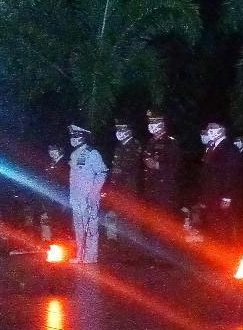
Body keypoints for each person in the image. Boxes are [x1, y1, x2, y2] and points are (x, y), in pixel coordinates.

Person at [67, 125, 108, 263]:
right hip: (76, 197)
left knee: (90, 228)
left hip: (88, 197)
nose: (73, 139)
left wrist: (94, 193)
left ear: (83, 137)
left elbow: (102, 173)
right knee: (79, 228)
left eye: (76, 136)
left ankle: (90, 257)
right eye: (72, 136)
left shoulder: (92, 153)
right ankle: (80, 256)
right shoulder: (74, 154)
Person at [103, 120, 143, 249]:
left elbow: (131, 165)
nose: (119, 133)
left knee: (130, 218)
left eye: (122, 130)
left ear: (129, 131)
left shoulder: (134, 145)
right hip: (119, 188)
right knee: (120, 217)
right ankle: (123, 246)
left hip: (129, 187)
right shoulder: (119, 147)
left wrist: (120, 171)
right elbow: (115, 168)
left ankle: (133, 247)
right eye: (118, 131)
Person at [198, 122, 239, 242]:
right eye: (208, 127)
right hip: (210, 193)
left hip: (221, 194)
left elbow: (232, 174)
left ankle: (221, 254)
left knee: (220, 227)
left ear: (222, 129)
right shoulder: (211, 146)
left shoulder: (230, 148)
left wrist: (227, 196)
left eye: (212, 127)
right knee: (211, 226)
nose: (209, 130)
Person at [142, 110, 181, 213]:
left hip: (164, 191)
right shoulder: (150, 142)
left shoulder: (171, 142)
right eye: (150, 122)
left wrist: (157, 165)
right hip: (150, 190)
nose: (151, 125)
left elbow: (176, 166)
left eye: (154, 122)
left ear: (162, 123)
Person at [39, 144, 70, 242]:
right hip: (52, 198)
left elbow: (67, 182)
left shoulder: (66, 164)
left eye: (54, 150)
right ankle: (56, 242)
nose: (52, 152)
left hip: (62, 198)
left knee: (62, 221)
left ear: (60, 150)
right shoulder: (50, 164)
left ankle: (63, 242)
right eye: (50, 150)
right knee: (54, 221)